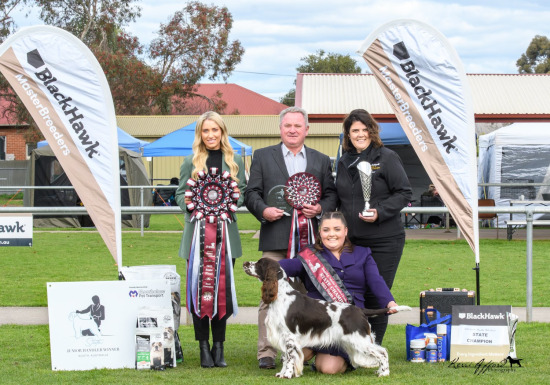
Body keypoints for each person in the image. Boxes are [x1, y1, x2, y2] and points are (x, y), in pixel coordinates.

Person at [245, 106, 338, 369]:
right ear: (280, 128)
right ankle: (266, 352)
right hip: (275, 240)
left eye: (298, 126)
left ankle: (306, 351)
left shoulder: (321, 159)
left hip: (310, 244)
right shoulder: (263, 156)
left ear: (307, 129)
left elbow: (331, 194)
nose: (293, 130)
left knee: (309, 297)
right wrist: (263, 209)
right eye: (288, 125)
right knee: (269, 296)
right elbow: (251, 192)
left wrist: (320, 209)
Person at [278, 211, 401, 374]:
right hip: (315, 319)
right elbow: (286, 266)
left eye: (337, 229)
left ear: (345, 231)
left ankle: (347, 355)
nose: (331, 234)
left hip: (346, 321)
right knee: (298, 351)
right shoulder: (310, 256)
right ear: (320, 233)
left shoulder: (362, 253)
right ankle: (313, 350)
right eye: (326, 230)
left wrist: (389, 302)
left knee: (328, 368)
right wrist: (264, 266)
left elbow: (376, 281)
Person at [174, 111, 246, 368]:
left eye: (215, 130)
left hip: (227, 241)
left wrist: (232, 200)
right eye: (206, 131)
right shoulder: (190, 162)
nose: (211, 135)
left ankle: (219, 347)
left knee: (221, 293)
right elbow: (180, 194)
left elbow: (244, 194)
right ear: (200, 134)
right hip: (197, 239)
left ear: (222, 132)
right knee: (199, 294)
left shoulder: (235, 160)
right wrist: (195, 205)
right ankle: (203, 347)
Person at [335, 109, 412, 345]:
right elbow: (340, 198)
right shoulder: (343, 160)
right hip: (353, 241)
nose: (360, 134)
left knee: (376, 295)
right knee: (354, 294)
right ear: (348, 134)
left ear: (372, 130)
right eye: (354, 130)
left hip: (384, 240)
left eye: (364, 129)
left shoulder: (386, 157)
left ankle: (374, 347)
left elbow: (404, 193)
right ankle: (355, 345)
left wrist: (379, 212)